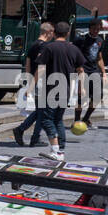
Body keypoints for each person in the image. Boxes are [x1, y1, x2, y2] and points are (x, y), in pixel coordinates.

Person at [36, 21, 86, 160]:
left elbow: (41, 68)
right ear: (68, 33)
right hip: (66, 89)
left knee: (47, 119)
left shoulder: (49, 48)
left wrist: (30, 86)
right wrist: (81, 88)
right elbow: (81, 70)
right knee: (58, 119)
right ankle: (61, 151)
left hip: (51, 88)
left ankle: (55, 150)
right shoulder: (74, 49)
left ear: (54, 33)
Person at [13, 22, 54, 146]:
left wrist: (29, 81)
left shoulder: (33, 45)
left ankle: (27, 133)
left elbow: (28, 64)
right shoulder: (45, 46)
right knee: (42, 112)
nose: (53, 35)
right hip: (41, 81)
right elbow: (41, 67)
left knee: (40, 111)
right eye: (52, 32)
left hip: (35, 81)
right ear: (47, 32)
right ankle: (30, 136)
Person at [73, 19, 106, 125]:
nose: (96, 31)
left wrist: (104, 72)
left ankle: (86, 118)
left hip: (94, 70)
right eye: (94, 29)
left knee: (98, 96)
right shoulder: (81, 39)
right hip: (83, 70)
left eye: (98, 29)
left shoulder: (100, 40)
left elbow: (99, 58)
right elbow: (74, 55)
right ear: (89, 28)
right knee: (81, 96)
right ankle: (77, 119)